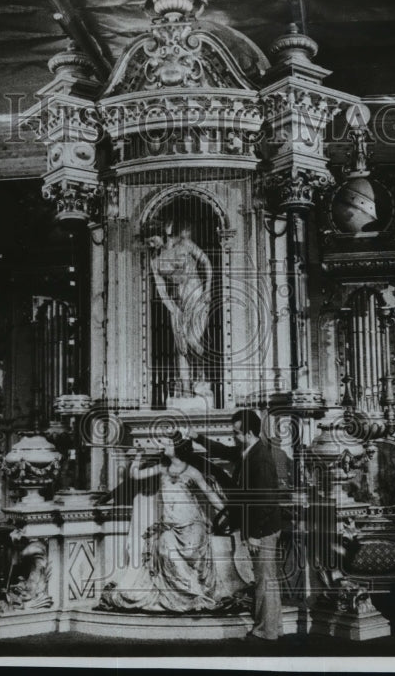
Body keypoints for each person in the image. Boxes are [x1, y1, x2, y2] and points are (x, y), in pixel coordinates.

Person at [97, 432, 248, 613]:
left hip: (192, 526)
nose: (161, 445)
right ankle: (179, 598)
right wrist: (137, 455)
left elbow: (210, 494)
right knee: (164, 550)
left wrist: (225, 511)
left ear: (177, 448)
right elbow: (136, 475)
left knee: (192, 556)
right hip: (170, 527)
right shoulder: (162, 468)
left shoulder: (192, 472)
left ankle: (193, 594)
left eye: (166, 443)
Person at [193, 409, 283, 640]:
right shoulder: (248, 451)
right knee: (265, 578)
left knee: (265, 579)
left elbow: (264, 501)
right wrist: (196, 437)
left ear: (250, 433)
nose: (234, 437)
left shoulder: (260, 458)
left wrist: (254, 535)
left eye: (237, 433)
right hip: (259, 528)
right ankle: (272, 627)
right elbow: (222, 450)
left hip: (263, 530)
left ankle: (266, 632)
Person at [144, 220, 213, 396]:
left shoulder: (185, 244)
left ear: (161, 233)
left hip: (196, 295)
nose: (151, 245)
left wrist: (208, 289)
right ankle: (186, 390)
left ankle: (204, 377)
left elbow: (206, 263)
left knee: (192, 339)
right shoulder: (155, 260)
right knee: (181, 348)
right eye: (148, 243)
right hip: (176, 303)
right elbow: (161, 289)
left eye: (153, 240)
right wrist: (173, 308)